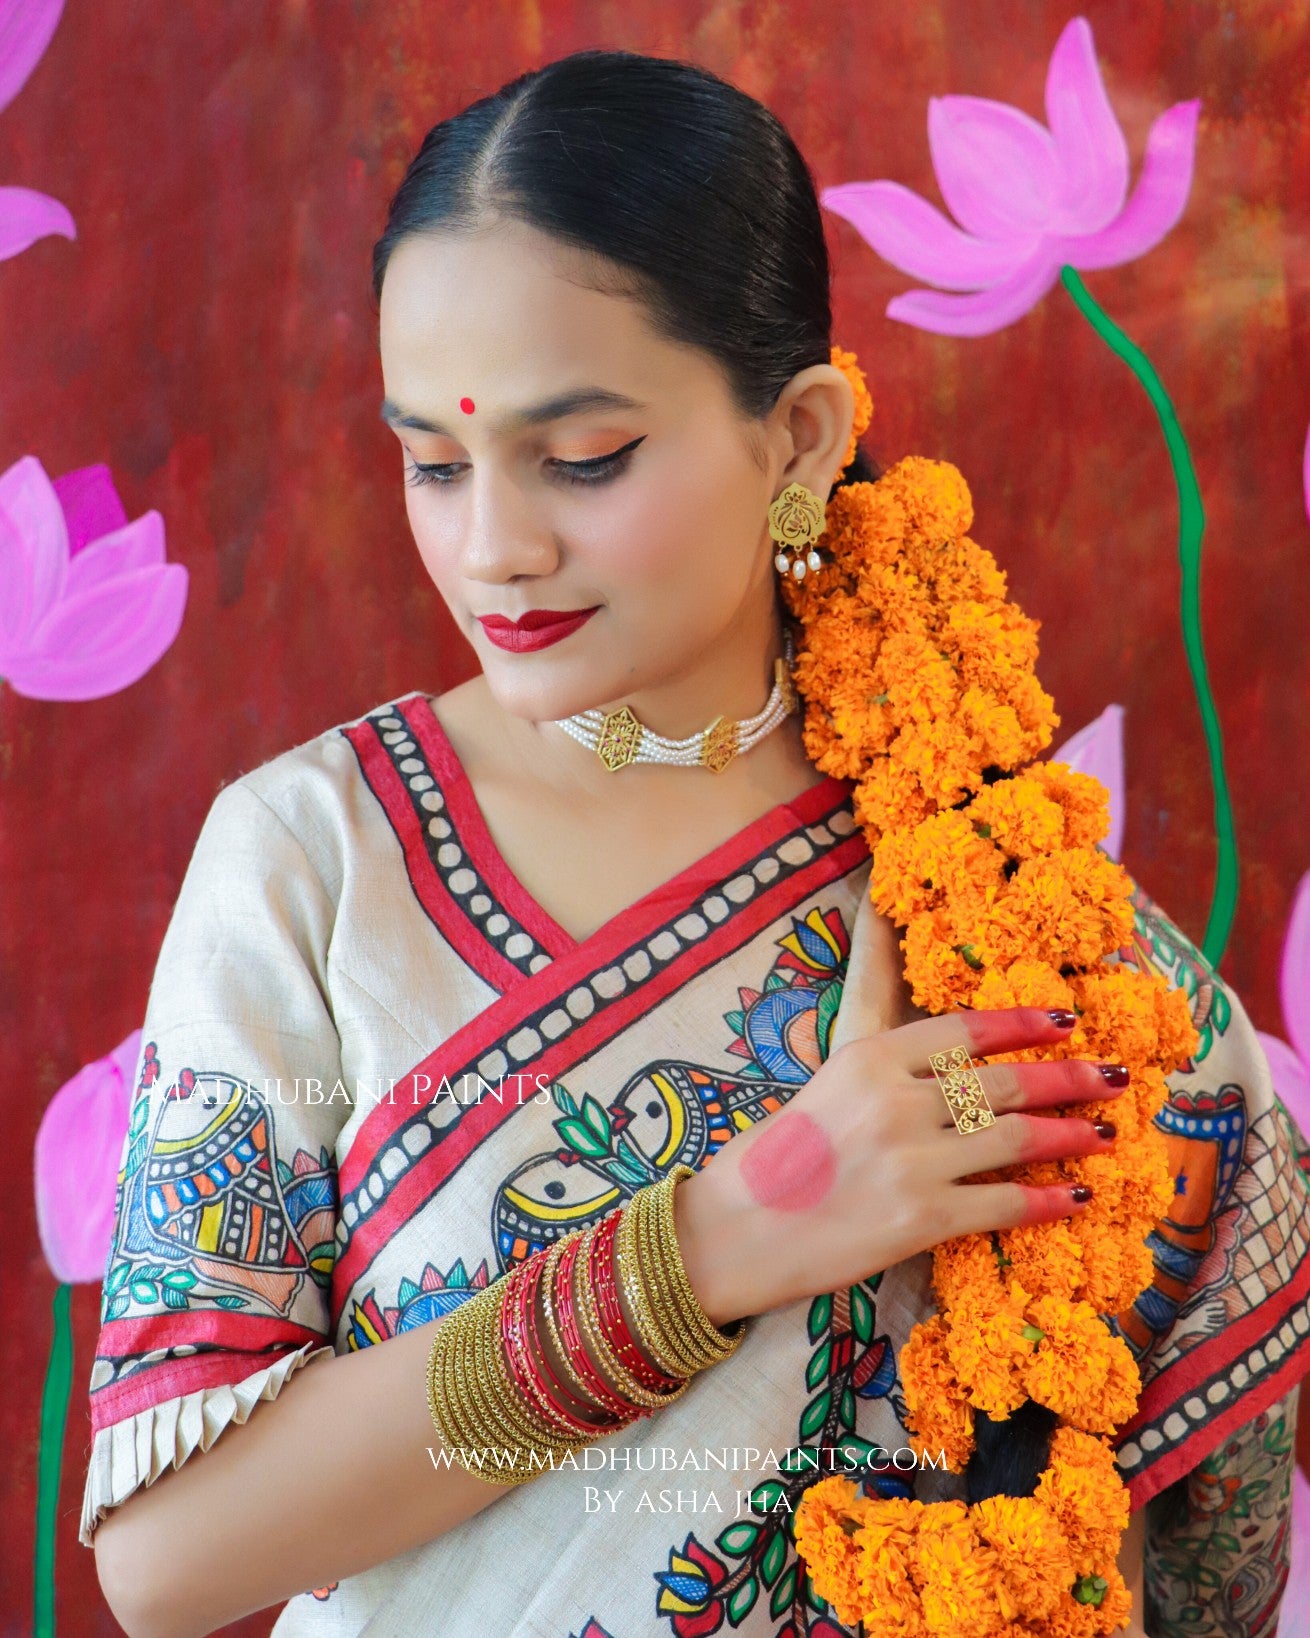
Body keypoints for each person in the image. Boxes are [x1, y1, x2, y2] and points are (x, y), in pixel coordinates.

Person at [82, 48, 1310, 1638]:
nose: (492, 545)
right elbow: (168, 1557)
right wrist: (716, 1244)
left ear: (796, 438)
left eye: (583, 458)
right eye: (433, 461)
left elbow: (1205, 1561)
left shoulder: (1024, 922)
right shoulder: (315, 862)